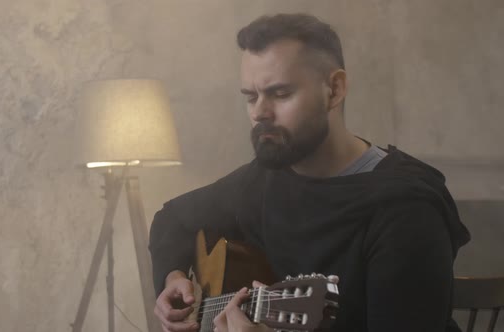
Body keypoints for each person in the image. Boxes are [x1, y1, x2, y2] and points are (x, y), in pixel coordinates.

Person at [148, 13, 470, 332]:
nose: (259, 112)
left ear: (335, 89)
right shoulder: (265, 179)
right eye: (251, 97)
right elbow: (172, 219)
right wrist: (174, 278)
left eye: (280, 94)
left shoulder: (406, 211)